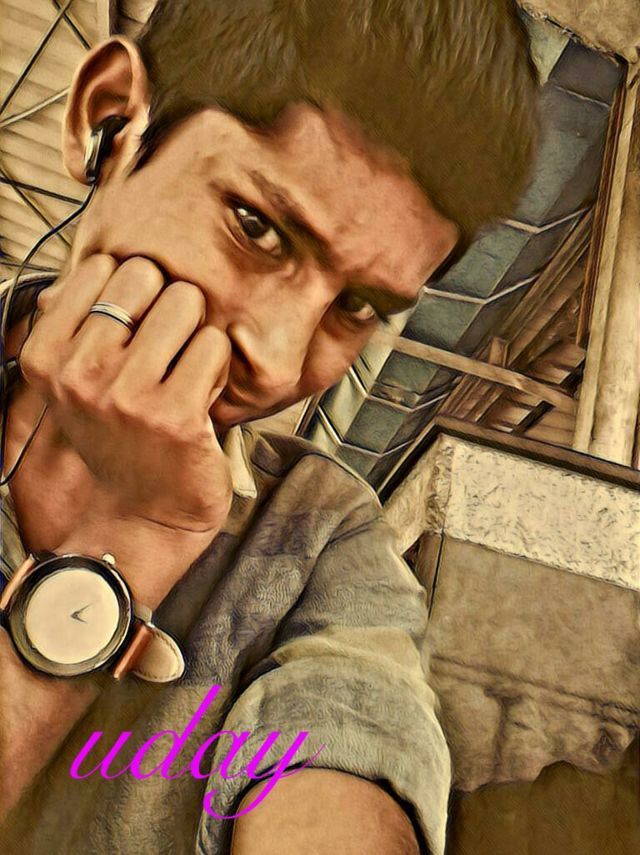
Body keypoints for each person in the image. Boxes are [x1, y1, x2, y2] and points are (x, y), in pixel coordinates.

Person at [0, 1, 538, 853]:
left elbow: (350, 745)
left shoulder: (321, 540)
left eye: (355, 305)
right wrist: (121, 545)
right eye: (255, 226)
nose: (281, 362)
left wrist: (138, 530)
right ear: (110, 124)